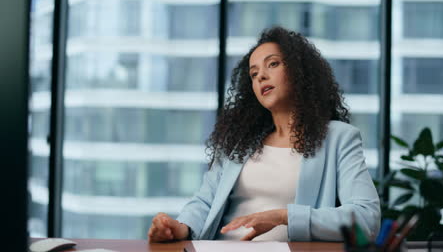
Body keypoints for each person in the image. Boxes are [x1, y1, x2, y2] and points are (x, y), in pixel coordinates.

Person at [147, 26, 380, 242]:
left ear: (300, 71)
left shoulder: (339, 138)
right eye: (253, 73)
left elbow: (366, 220)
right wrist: (181, 227)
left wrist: (283, 217)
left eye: (273, 64)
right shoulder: (240, 141)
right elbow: (205, 202)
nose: (260, 76)